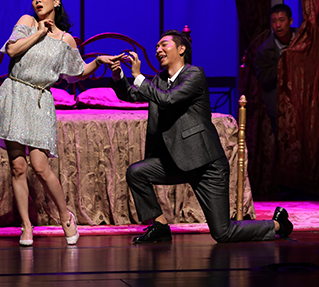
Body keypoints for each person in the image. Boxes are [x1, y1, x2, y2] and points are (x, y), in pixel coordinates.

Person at [109, 29, 293, 243]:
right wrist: (118, 75)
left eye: (164, 44)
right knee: (137, 172)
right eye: (157, 46)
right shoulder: (159, 80)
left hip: (206, 165)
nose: (158, 49)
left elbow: (169, 99)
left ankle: (278, 224)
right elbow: (131, 94)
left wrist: (139, 76)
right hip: (177, 162)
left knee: (223, 233)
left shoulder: (194, 74)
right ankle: (160, 226)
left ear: (181, 49)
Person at [0, 0, 121, 247]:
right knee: (18, 166)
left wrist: (98, 62)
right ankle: (26, 226)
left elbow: (75, 74)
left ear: (56, 2)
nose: (37, 0)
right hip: (14, 94)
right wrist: (39, 33)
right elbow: (12, 50)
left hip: (39, 100)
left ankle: (65, 215)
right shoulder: (27, 22)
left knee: (40, 166)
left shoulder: (65, 40)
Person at [254, 4, 299, 134]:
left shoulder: (301, 41)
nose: (278, 25)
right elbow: (264, 77)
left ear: (290, 21)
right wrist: (283, 62)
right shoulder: (264, 50)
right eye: (274, 21)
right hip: (278, 106)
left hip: (301, 104)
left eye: (281, 20)